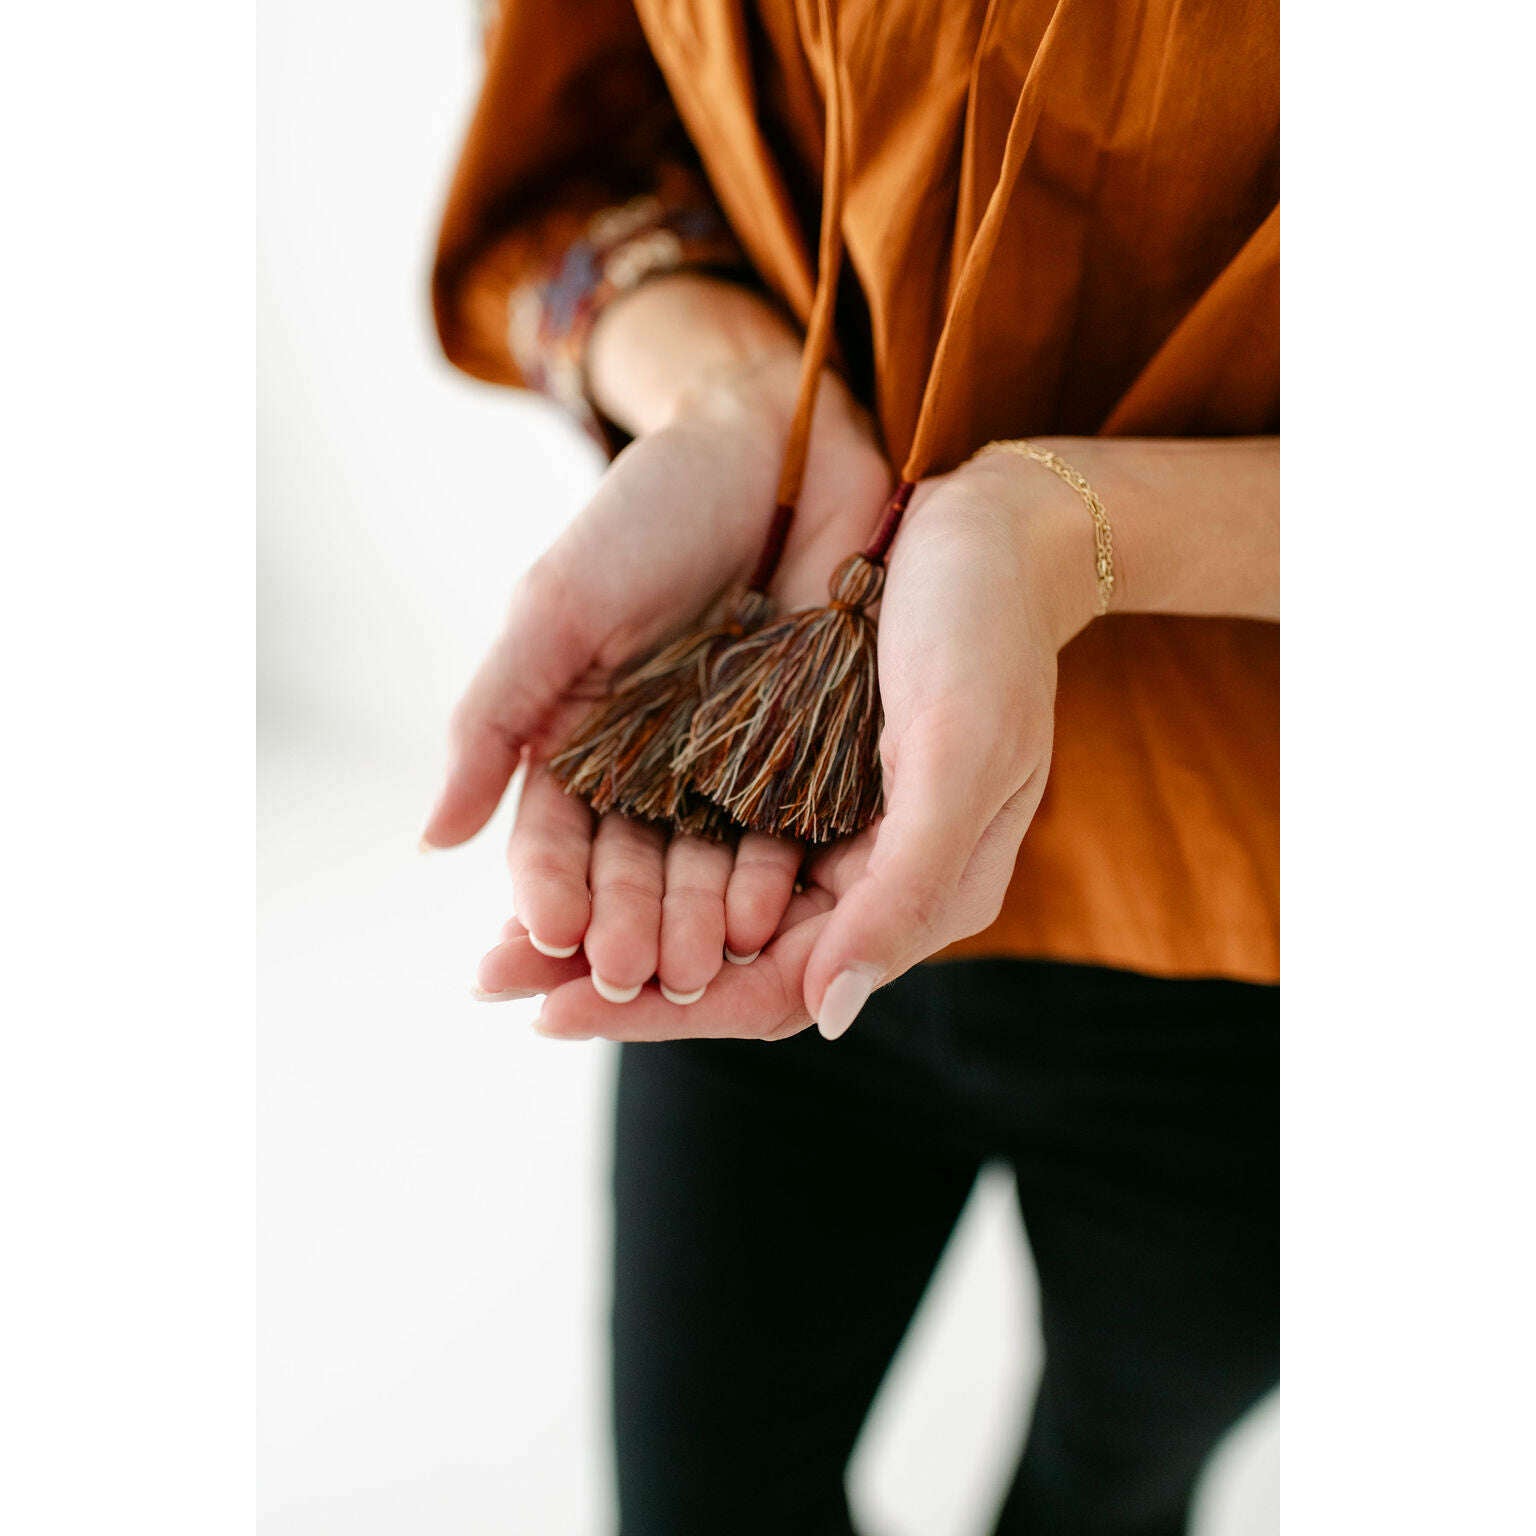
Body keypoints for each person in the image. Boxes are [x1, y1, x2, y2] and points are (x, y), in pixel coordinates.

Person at [422, 2, 1278, 1531]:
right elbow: (566, 166)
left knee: (1108, 1502)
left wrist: (1059, 529)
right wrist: (733, 394)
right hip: (763, 870)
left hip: (1256, 955)